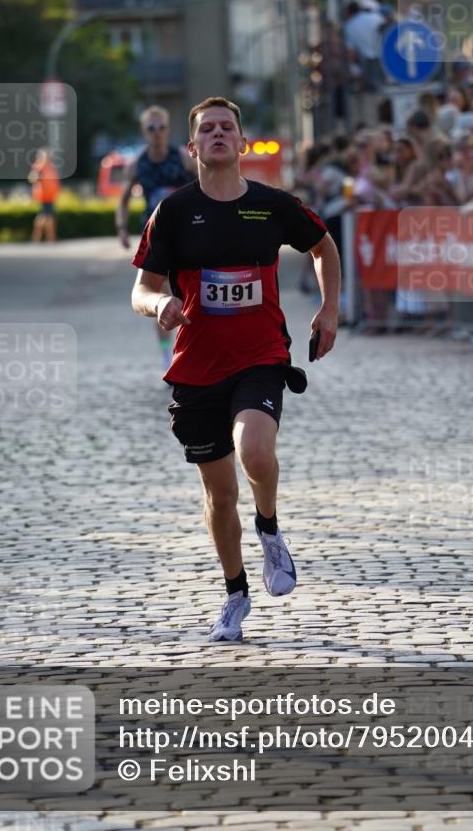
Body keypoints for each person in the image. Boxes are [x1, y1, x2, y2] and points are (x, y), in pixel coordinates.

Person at [130, 96, 340, 642]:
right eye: (208, 129)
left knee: (255, 451)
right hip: (197, 366)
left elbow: (323, 247)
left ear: (243, 143)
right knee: (220, 496)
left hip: (260, 356)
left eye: (227, 127)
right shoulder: (173, 212)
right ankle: (235, 593)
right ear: (192, 146)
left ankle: (268, 526)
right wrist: (160, 304)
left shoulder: (272, 205)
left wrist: (329, 309)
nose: (218, 134)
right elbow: (142, 289)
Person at [117, 105, 194, 371]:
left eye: (161, 127)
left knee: (190, 293)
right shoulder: (137, 164)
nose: (157, 132)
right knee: (161, 297)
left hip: (188, 233)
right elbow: (124, 200)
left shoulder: (182, 157)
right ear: (144, 132)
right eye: (151, 128)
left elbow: (207, 184)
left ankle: (190, 348)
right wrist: (122, 228)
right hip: (155, 238)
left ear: (168, 129)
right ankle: (167, 356)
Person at [29, 149, 60, 242]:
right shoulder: (39, 166)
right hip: (44, 196)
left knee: (44, 217)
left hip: (50, 196)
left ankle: (38, 237)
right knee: (48, 217)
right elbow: (32, 178)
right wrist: (38, 178)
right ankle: (51, 238)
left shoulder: (50, 166)